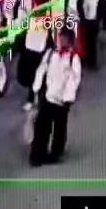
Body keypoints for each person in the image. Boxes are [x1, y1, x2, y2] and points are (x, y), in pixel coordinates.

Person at [28, 28, 82, 166]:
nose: (61, 41)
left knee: (59, 128)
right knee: (41, 126)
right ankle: (37, 154)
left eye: (64, 39)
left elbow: (74, 80)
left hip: (62, 99)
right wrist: (36, 87)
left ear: (70, 41)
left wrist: (68, 98)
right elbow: (41, 70)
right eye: (60, 38)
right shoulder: (51, 53)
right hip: (48, 96)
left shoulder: (73, 58)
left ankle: (55, 153)